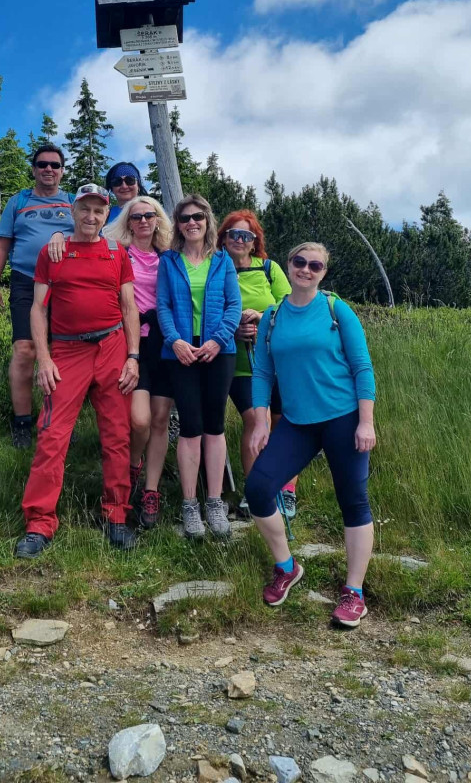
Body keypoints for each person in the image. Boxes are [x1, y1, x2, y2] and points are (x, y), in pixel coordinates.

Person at [245, 243, 377, 628]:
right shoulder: (272, 317)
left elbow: (362, 367)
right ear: (288, 265)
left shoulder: (337, 310)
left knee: (353, 501)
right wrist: (260, 422)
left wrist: (366, 422)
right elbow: (262, 373)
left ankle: (354, 592)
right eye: (299, 262)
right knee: (258, 488)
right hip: (297, 423)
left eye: (315, 265)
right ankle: (287, 567)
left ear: (323, 272)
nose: (306, 269)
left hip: (343, 418)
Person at [15, 184, 141, 558]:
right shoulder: (52, 252)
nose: (91, 216)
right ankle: (39, 523)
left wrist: (133, 357)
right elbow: (38, 309)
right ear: (73, 212)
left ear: (106, 215)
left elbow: (129, 307)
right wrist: (44, 359)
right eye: (84, 209)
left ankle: (117, 515)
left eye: (98, 211)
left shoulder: (117, 252)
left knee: (117, 434)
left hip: (112, 346)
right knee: (52, 435)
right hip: (67, 351)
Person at [156, 194, 241, 539]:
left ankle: (215, 503)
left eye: (198, 217)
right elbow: (163, 305)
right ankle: (190, 504)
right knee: (190, 426)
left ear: (207, 221)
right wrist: (175, 341)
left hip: (218, 352)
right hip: (181, 352)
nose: (192, 223)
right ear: (177, 224)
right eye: (185, 218)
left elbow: (234, 305)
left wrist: (217, 340)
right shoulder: (169, 261)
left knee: (215, 425)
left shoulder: (222, 261)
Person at [0, 144, 74, 449]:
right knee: (25, 350)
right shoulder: (19, 201)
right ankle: (22, 422)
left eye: (55, 165)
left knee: (61, 353)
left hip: (66, 284)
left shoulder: (73, 203)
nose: (48, 169)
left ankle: (58, 421)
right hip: (25, 280)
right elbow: (2, 245)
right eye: (42, 164)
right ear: (34, 169)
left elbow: (91, 237)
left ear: (62, 171)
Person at [217, 210, 295, 517]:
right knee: (254, 420)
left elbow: (290, 307)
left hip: (277, 362)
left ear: (254, 242)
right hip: (239, 363)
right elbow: (207, 311)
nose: (239, 240)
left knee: (283, 423)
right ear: (223, 238)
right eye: (233, 234)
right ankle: (256, 490)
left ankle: (286, 490)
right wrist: (232, 328)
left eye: (246, 235)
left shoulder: (269, 269)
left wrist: (262, 319)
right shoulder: (216, 269)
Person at [108, 195, 174, 528]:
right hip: (134, 343)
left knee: (160, 419)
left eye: (149, 215)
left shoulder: (170, 257)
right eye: (136, 217)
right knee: (140, 420)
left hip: (166, 342)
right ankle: (133, 466)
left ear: (158, 219)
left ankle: (151, 490)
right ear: (128, 223)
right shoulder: (118, 253)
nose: (144, 221)